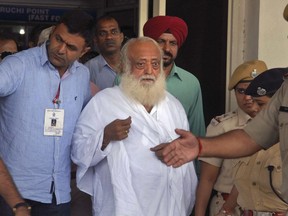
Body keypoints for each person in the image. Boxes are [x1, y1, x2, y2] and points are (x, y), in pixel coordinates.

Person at [71, 37, 197, 216]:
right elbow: (78, 151)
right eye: (140, 64)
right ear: (124, 67)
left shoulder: (173, 106)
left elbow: (186, 160)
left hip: (166, 206)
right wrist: (105, 136)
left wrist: (173, 151)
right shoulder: (104, 102)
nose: (149, 71)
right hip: (120, 206)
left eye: (155, 64)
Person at [0, 9, 94, 216]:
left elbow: (87, 123)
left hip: (58, 192)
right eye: (57, 38)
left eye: (71, 47)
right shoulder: (18, 65)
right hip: (13, 194)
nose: (60, 49)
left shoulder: (82, 75)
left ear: (84, 51)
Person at [195, 60, 267, 216]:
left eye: (254, 90)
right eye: (241, 91)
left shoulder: (279, 124)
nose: (248, 97)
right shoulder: (222, 126)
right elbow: (207, 179)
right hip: (229, 209)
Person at [217, 68, 288, 215]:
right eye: (254, 102)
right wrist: (226, 209)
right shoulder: (248, 136)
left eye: (261, 104)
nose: (254, 109)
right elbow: (245, 181)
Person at [143, 15, 205, 138]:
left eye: (173, 43)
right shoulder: (127, 79)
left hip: (178, 155)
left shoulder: (190, 83)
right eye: (161, 41)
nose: (166, 48)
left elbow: (196, 131)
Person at [85, 15, 124, 90]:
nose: (109, 37)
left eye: (114, 32)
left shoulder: (133, 64)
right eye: (103, 33)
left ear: (121, 37)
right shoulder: (88, 69)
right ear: (95, 39)